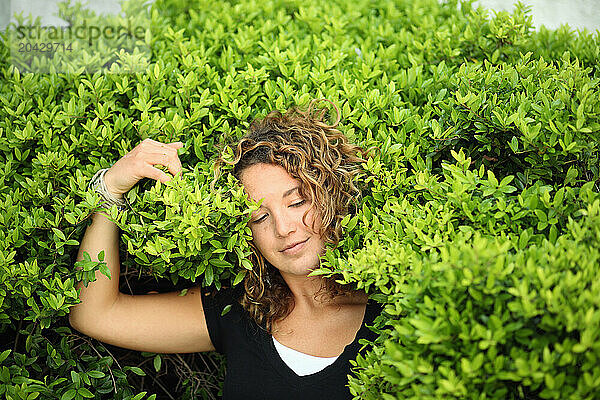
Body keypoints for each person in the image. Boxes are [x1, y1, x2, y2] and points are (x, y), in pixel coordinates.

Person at [69, 99, 382, 399]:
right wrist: (109, 191)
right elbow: (94, 314)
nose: (284, 228)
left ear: (332, 195)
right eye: (259, 216)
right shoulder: (240, 311)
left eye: (297, 201)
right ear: (244, 232)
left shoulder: (391, 312)